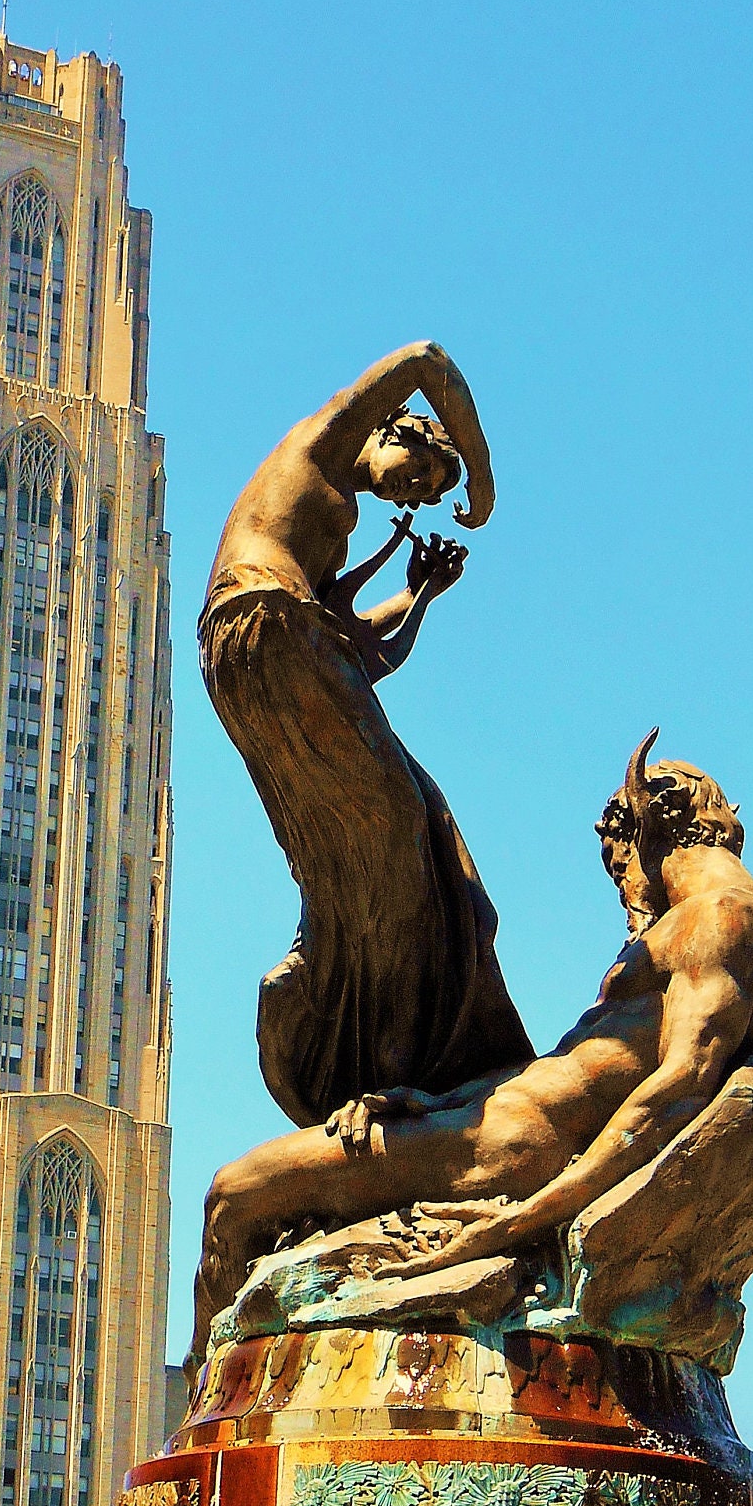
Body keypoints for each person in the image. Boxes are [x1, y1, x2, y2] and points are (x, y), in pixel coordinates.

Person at [193, 734, 753, 1352]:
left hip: (510, 1153)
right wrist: (429, 1100)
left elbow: (677, 1091)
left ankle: (199, 1408)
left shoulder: (726, 919)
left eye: (621, 865)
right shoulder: (704, 926)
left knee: (233, 1196)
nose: (625, 891)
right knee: (245, 1201)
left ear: (649, 819)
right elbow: (567, 1072)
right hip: (486, 1123)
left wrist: (527, 1219)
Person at [201, 341, 531, 1127]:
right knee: (396, 829)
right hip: (265, 627)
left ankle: (337, 999)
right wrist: (481, 476)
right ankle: (383, 1057)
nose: (416, 496)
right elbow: (425, 358)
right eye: (422, 474)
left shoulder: (325, 541)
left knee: (412, 833)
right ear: (394, 432)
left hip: (271, 651)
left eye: (434, 490)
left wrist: (420, 597)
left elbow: (364, 658)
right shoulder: (321, 442)